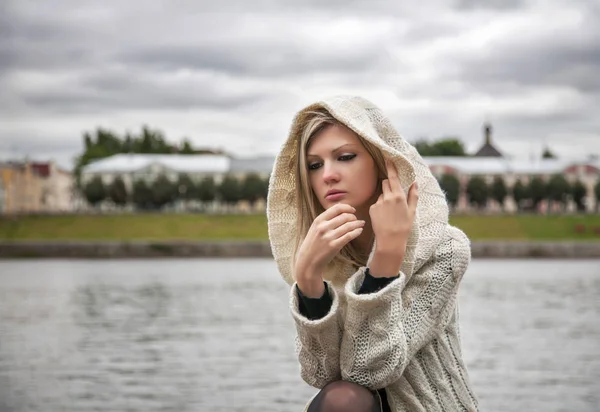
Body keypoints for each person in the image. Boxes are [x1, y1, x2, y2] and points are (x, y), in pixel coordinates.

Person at [266, 96, 479, 412]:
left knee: (345, 398)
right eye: (314, 165)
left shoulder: (445, 249)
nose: (328, 175)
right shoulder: (328, 258)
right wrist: (308, 279)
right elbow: (320, 374)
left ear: (382, 160)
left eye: (345, 157)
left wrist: (387, 259)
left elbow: (367, 371)